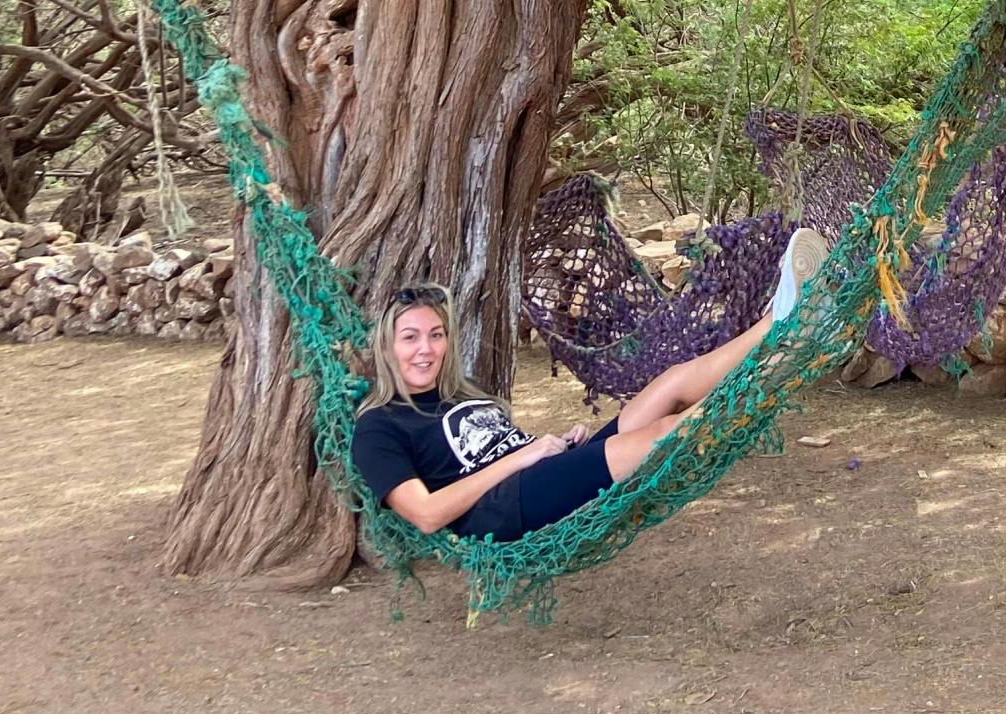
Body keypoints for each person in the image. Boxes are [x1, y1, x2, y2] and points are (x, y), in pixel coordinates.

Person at [351, 228, 828, 545]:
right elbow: (427, 514)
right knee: (665, 431)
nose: (426, 350)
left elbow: (497, 448)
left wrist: (553, 446)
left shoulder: (456, 393)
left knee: (672, 384)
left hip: (540, 475)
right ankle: (780, 360)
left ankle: (777, 323)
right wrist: (524, 457)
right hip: (506, 510)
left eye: (436, 336)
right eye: (410, 338)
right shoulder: (379, 427)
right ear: (387, 347)